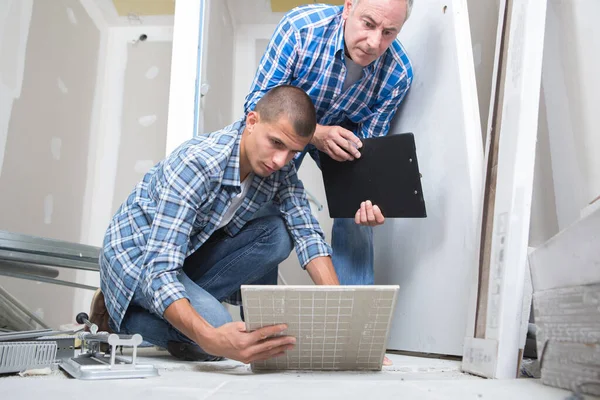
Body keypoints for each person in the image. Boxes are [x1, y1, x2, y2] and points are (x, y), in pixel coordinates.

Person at [90, 85, 346, 364]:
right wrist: (211, 339)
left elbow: (306, 233)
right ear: (252, 122)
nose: (280, 160)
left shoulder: (278, 171)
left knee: (278, 234)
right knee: (214, 338)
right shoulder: (197, 164)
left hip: (183, 257)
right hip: (137, 260)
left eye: (293, 153)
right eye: (276, 143)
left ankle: (185, 315)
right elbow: (159, 272)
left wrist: (341, 317)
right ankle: (121, 318)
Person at [244, 0, 414, 285]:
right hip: (286, 128)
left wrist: (369, 195)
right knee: (262, 198)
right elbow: (256, 107)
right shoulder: (300, 29)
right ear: (348, 7)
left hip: (343, 144)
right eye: (369, 24)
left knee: (358, 207)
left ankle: (349, 317)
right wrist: (316, 134)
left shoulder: (399, 74)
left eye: (389, 33)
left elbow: (368, 152)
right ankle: (263, 320)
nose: (374, 42)